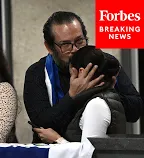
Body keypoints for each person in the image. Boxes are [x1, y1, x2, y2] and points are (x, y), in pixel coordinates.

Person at [24, 11, 143, 143]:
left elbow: (136, 110)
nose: (75, 49)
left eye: (79, 41)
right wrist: (72, 96)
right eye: (66, 45)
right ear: (49, 47)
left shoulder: (103, 62)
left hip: (97, 154)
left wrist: (104, 92)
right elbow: (42, 127)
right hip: (50, 155)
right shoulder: (37, 72)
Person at [34, 46, 126, 143]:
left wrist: (57, 139)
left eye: (71, 73)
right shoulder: (101, 98)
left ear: (81, 72)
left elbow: (89, 154)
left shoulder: (96, 105)